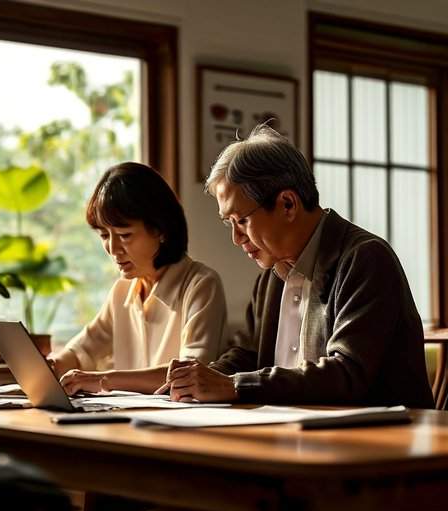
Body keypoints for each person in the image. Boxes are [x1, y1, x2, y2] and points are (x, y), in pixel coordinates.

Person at [160, 124, 434, 409]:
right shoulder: (272, 274)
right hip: (297, 432)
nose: (236, 238)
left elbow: (347, 373)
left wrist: (234, 385)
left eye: (241, 220)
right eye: (228, 223)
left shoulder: (365, 259)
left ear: (288, 204)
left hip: (382, 440)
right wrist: (196, 379)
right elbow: (246, 355)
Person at [50, 162, 227, 395]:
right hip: (127, 421)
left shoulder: (201, 285)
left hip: (179, 423)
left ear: (160, 230)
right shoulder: (122, 291)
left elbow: (188, 374)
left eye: (125, 235)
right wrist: (48, 368)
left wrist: (103, 380)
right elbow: (83, 349)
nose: (112, 248)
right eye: (104, 235)